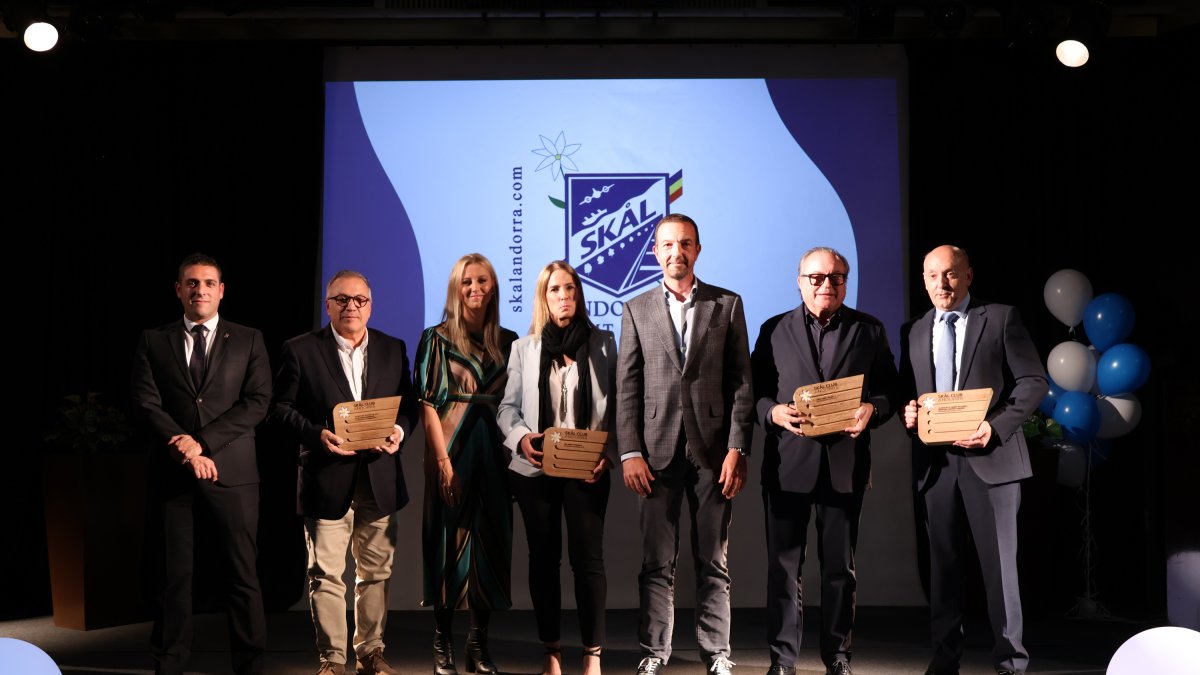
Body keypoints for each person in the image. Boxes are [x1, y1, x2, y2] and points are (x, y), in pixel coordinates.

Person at [899, 245, 1048, 675]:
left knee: (999, 569)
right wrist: (911, 415)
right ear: (923, 280)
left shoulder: (1001, 317)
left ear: (968, 276)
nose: (941, 284)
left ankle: (1011, 662)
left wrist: (995, 427)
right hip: (936, 466)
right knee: (943, 569)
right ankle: (945, 659)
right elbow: (917, 395)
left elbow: (1034, 382)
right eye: (931, 276)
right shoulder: (913, 328)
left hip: (993, 459)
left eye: (950, 274)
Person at [616, 213, 754, 675]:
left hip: (715, 452)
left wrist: (738, 447)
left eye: (686, 244)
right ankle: (654, 652)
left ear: (698, 249)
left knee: (713, 559)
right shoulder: (635, 309)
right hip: (654, 453)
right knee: (656, 561)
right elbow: (628, 387)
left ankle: (718, 653)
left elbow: (741, 384)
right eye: (668, 245)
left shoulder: (727, 305)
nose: (677, 252)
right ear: (655, 251)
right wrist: (629, 452)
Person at [750, 247, 899, 675]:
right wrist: (772, 412)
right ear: (799, 281)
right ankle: (782, 661)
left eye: (836, 278)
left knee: (840, 571)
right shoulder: (773, 329)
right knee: (783, 571)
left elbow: (890, 390)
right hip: (787, 464)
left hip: (844, 465)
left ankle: (837, 656)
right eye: (816, 278)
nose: (826, 285)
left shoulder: (869, 330)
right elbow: (754, 393)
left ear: (845, 283)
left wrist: (873, 410)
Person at [270, 270, 419, 675]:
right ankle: (332, 660)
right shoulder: (299, 350)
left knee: (376, 572)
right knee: (326, 575)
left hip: (379, 476)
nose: (350, 306)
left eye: (359, 300)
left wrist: (399, 432)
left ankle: (371, 654)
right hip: (325, 476)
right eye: (341, 299)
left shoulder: (392, 347)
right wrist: (317, 434)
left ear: (370, 305)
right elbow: (280, 409)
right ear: (327, 304)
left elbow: (408, 404)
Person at [130, 253, 270, 675]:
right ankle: (169, 664)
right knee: (174, 579)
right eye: (192, 283)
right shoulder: (154, 340)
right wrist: (185, 452)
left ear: (221, 290)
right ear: (179, 290)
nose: (200, 290)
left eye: (209, 283)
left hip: (234, 475)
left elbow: (258, 402)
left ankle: (250, 666)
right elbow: (145, 402)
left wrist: (202, 444)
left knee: (242, 577)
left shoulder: (248, 339)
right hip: (174, 476)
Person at [497, 261, 618, 675]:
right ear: (543, 298)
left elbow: (619, 406)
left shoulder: (604, 343)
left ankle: (592, 655)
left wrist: (609, 452)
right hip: (535, 469)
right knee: (543, 560)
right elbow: (506, 409)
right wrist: (521, 439)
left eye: (570, 289)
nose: (564, 296)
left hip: (588, 469)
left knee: (588, 561)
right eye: (554, 290)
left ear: (579, 295)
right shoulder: (523, 349)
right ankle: (551, 651)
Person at [415, 253, 519, 675]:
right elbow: (426, 406)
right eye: (466, 282)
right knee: (447, 545)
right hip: (451, 449)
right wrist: (442, 462)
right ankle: (443, 646)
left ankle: (478, 646)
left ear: (493, 287)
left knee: (491, 544)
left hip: (495, 452)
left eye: (483, 281)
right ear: (456, 289)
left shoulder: (510, 341)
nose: (475, 289)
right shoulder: (436, 338)